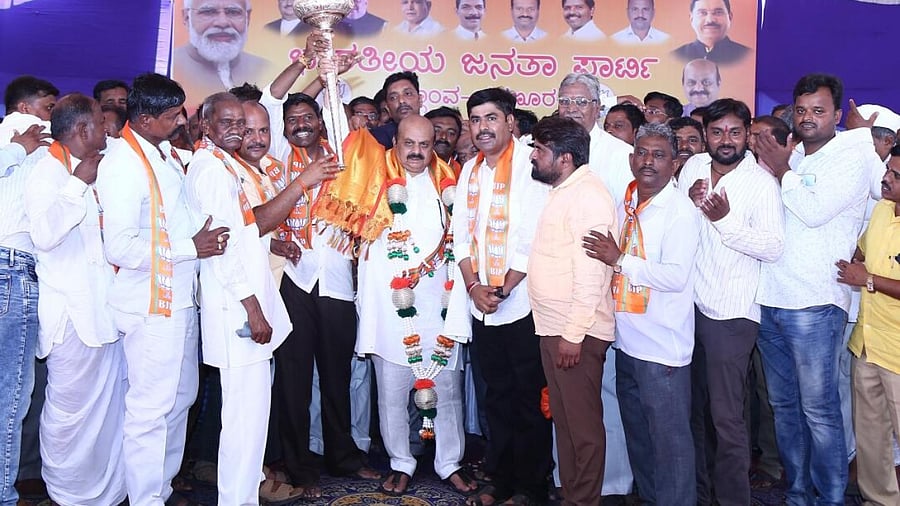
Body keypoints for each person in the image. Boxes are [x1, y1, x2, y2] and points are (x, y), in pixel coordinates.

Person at [94, 73, 226, 506]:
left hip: (180, 299)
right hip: (149, 306)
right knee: (151, 409)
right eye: (172, 116)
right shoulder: (122, 165)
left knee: (180, 399)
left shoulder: (165, 152)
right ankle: (145, 499)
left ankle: (160, 489)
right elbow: (120, 247)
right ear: (145, 119)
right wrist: (191, 248)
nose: (180, 122)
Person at [259, 56, 380, 500]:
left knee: (336, 375)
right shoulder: (277, 157)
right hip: (294, 279)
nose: (300, 125)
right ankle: (297, 465)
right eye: (293, 121)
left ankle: (342, 456)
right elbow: (273, 100)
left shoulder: (342, 157)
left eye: (308, 118)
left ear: (322, 122)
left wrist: (332, 75)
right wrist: (308, 68)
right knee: (292, 378)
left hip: (337, 281)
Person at [753, 73, 871, 506]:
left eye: (818, 111)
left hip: (816, 303)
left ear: (837, 115)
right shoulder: (793, 152)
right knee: (784, 408)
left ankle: (831, 497)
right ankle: (798, 493)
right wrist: (784, 165)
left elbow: (814, 210)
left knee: (819, 411)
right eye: (801, 110)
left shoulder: (850, 157)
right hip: (770, 298)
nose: (807, 118)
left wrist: (782, 169)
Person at [354, 115, 476, 497]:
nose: (417, 152)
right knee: (391, 394)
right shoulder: (374, 183)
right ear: (396, 143)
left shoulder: (451, 184)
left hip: (439, 303)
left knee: (448, 391)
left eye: (425, 144)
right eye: (409, 143)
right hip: (391, 307)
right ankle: (401, 463)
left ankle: (449, 463)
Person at [185, 92, 296, 506]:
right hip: (238, 309)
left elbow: (245, 235)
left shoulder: (225, 164)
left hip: (244, 301)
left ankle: (242, 496)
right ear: (206, 126)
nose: (237, 131)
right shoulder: (212, 169)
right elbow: (224, 248)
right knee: (243, 420)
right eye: (228, 123)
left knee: (249, 418)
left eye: (241, 124)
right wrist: (253, 309)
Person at [583, 123, 700, 506]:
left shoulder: (679, 211)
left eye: (659, 155)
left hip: (662, 348)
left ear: (674, 163)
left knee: (670, 444)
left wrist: (620, 260)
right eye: (642, 153)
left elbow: (675, 277)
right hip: (627, 341)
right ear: (632, 158)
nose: (648, 161)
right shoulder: (628, 201)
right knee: (640, 436)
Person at [445, 87, 552, 506]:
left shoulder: (531, 165)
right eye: (475, 120)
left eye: (491, 118)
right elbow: (460, 236)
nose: (482, 127)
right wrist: (474, 287)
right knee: (496, 397)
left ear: (510, 122)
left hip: (522, 303)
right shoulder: (470, 170)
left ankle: (531, 486)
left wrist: (503, 289)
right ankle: (501, 478)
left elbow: (532, 235)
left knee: (528, 398)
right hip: (482, 305)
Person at [678, 99, 784, 506]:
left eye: (735, 132)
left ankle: (734, 499)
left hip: (732, 313)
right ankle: (701, 495)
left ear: (747, 135)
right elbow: (679, 227)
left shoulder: (761, 183)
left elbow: (773, 247)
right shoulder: (693, 167)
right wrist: (686, 202)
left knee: (727, 417)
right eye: (718, 131)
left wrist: (725, 220)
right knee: (695, 412)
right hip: (689, 307)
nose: (726, 140)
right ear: (706, 134)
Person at [23, 93, 126, 506]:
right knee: (69, 416)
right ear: (83, 130)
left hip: (106, 312)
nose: (106, 132)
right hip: (71, 318)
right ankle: (67, 496)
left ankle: (106, 495)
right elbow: (44, 235)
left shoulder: (100, 165)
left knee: (108, 415)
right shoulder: (47, 171)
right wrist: (77, 184)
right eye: (100, 124)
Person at [528, 115, 617, 506]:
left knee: (583, 430)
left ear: (564, 158)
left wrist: (574, 334)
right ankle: (572, 498)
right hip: (555, 329)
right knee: (564, 424)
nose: (533, 156)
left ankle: (585, 501)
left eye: (540, 150)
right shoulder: (565, 190)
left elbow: (591, 273)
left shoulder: (589, 196)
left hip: (575, 332)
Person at [836, 154, 900, 506]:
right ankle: (879, 501)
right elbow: (861, 251)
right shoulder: (881, 211)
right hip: (868, 345)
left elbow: (867, 277)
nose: (886, 178)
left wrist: (869, 280)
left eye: (896, 175)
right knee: (871, 439)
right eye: (888, 170)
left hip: (897, 350)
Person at [0, 86, 51, 506]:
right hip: (13, 268)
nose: (50, 119)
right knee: (10, 395)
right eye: (48, 108)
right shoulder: (25, 133)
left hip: (12, 267)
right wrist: (19, 148)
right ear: (23, 107)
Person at [557, 73, 633, 206]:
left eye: (581, 102)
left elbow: (626, 209)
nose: (571, 109)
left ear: (597, 108)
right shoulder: (547, 149)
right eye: (564, 101)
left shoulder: (621, 154)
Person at [173, 0, 271, 98]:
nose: (222, 23)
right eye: (208, 12)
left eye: (233, 12)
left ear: (247, 17)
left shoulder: (264, 68)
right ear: (187, 18)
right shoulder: (173, 66)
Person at [672, 0, 751, 65]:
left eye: (718, 12)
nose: (710, 20)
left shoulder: (748, 55)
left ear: (730, 17)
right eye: (703, 13)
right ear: (691, 18)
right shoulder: (676, 56)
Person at [369, 72, 422, 149]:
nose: (401, 101)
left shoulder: (434, 131)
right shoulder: (376, 138)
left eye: (407, 94)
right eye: (393, 97)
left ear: (420, 100)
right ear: (387, 107)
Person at [424, 106, 463, 174]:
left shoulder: (463, 173)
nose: (443, 137)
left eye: (451, 133)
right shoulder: (407, 169)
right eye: (436, 131)